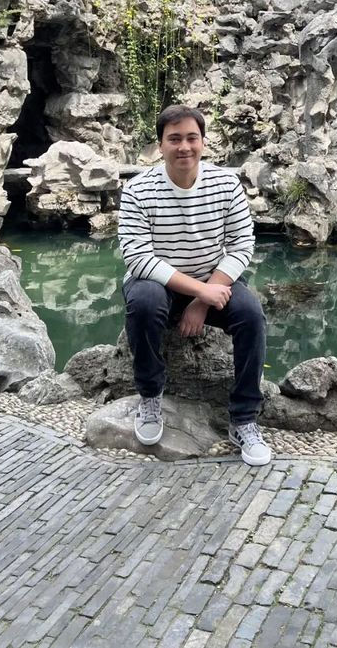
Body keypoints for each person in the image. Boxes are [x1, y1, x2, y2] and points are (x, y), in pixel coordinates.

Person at [118, 104, 272, 467]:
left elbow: (241, 245)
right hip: (157, 283)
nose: (184, 147)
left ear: (203, 142)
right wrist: (199, 292)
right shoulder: (138, 190)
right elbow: (137, 257)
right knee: (144, 302)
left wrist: (203, 299)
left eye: (192, 138)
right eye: (174, 139)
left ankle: (244, 419)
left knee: (251, 315)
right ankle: (150, 396)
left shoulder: (226, 184)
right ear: (160, 145)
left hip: (212, 279)